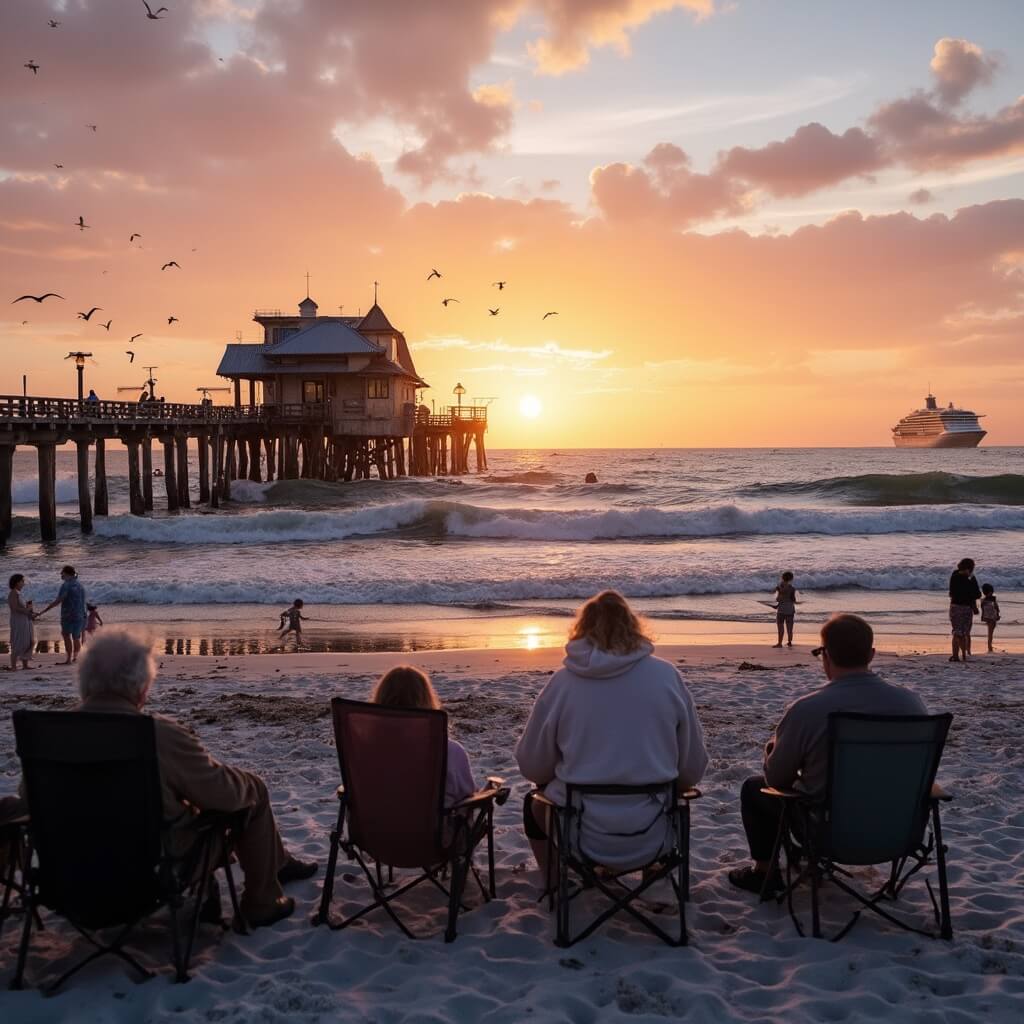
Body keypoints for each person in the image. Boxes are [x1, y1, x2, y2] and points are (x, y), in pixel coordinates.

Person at [0, 632, 316, 926]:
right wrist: (245, 783)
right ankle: (262, 903)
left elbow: (30, 803)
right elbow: (226, 796)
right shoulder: (155, 734)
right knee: (251, 790)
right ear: (142, 688)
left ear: (84, 683)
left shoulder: (48, 736)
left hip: (66, 879)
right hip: (151, 876)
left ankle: (273, 867)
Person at [728, 613, 927, 895]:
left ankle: (764, 873)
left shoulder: (808, 709)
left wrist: (771, 750)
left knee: (753, 788)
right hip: (900, 832)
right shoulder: (911, 704)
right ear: (871, 654)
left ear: (826, 655)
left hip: (828, 835)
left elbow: (775, 778)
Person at [515, 590, 708, 875]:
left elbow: (532, 766)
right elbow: (692, 768)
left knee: (534, 800)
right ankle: (654, 882)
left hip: (580, 834)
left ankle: (554, 883)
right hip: (653, 833)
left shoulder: (562, 683)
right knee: (673, 794)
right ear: (633, 626)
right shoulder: (667, 677)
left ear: (582, 629)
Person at [370, 666, 475, 807]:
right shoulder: (449, 750)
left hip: (371, 827)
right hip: (434, 828)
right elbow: (467, 797)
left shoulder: (363, 749)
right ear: (427, 700)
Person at [39, 565, 88, 665]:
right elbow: (83, 601)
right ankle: (76, 658)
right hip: (80, 615)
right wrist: (84, 615)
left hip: (68, 615)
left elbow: (59, 600)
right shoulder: (80, 585)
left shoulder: (66, 585)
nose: (61, 574)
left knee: (66, 636)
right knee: (76, 637)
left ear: (67, 573)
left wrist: (45, 610)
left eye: (62, 573)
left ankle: (69, 659)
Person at [948, 557, 982, 663]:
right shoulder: (970, 578)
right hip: (966, 607)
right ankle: (963, 655)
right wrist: (970, 581)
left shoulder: (954, 575)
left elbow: (951, 592)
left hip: (955, 606)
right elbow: (977, 594)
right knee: (964, 632)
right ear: (970, 568)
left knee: (957, 632)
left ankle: (956, 656)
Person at [7, 574, 37, 671]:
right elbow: (14, 608)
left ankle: (25, 665)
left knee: (29, 641)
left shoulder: (19, 593)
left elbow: (24, 608)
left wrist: (31, 612)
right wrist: (27, 610)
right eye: (22, 581)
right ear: (16, 582)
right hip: (18, 621)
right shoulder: (13, 593)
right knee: (18, 641)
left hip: (25, 620)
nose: (23, 583)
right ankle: (13, 666)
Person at [772, 571, 797, 648]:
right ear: (791, 579)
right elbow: (793, 600)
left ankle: (779, 643)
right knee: (790, 628)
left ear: (782, 578)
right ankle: (789, 642)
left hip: (781, 610)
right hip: (790, 610)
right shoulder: (792, 588)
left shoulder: (779, 587)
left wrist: (777, 605)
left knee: (780, 627)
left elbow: (779, 599)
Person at [980, 583, 1001, 653]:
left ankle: (989, 646)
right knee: (990, 632)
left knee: (990, 632)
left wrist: (997, 614)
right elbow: (983, 608)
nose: (992, 593)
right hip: (989, 617)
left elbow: (996, 608)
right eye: (991, 592)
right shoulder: (987, 600)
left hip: (991, 617)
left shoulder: (986, 600)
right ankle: (989, 646)